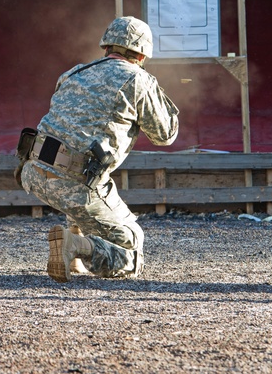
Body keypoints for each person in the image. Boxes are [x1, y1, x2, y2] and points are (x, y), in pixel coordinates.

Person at [15, 16, 179, 282]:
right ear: (141, 53)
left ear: (107, 47)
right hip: (76, 186)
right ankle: (75, 246)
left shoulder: (74, 72)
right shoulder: (138, 80)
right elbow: (165, 135)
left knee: (89, 171)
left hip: (32, 172)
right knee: (131, 250)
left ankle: (74, 247)